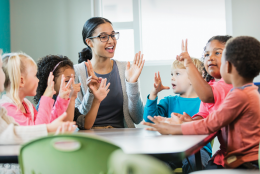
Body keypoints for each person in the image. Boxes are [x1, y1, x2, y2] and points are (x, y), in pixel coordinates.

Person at [143, 36, 260, 169]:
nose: (210, 58)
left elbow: (211, 124)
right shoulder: (246, 92)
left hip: (241, 162)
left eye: (219, 54)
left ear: (227, 66)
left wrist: (175, 128)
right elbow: (211, 120)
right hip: (236, 158)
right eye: (206, 54)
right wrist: (191, 122)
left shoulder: (239, 95)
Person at [74, 17, 144, 129]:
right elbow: (77, 120)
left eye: (112, 35)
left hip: (123, 138)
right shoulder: (77, 72)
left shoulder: (124, 69)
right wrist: (91, 94)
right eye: (103, 37)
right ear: (89, 42)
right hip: (91, 139)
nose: (111, 41)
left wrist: (132, 84)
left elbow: (138, 118)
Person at [143, 58, 211, 173]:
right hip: (170, 148)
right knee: (152, 164)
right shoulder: (169, 101)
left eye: (177, 74)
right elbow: (150, 119)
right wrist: (154, 93)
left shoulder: (205, 103)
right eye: (171, 74)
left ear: (192, 78)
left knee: (196, 164)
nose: (172, 77)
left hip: (198, 149)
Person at [34, 55, 110, 126]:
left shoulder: (68, 100)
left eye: (73, 80)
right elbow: (65, 126)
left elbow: (85, 124)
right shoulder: (45, 103)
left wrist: (97, 100)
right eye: (67, 81)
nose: (72, 85)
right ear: (51, 81)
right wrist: (72, 98)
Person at [0, 53, 71, 125]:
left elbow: (48, 124)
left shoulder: (27, 105)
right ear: (21, 81)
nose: (38, 80)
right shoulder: (7, 108)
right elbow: (39, 131)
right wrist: (46, 97)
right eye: (35, 75)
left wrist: (61, 98)